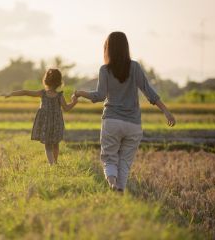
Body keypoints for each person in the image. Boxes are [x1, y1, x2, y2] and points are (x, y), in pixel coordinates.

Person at [73, 32, 176, 192]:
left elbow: (99, 96)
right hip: (133, 124)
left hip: (112, 121)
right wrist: (166, 112)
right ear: (125, 47)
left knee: (109, 157)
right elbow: (149, 92)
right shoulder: (134, 67)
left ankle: (113, 184)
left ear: (108, 48)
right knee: (125, 162)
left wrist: (80, 93)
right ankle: (120, 190)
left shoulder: (105, 70)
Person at [1, 69, 78, 165]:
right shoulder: (59, 96)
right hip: (56, 123)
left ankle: (52, 164)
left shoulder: (42, 93)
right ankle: (55, 162)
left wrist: (11, 94)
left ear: (45, 80)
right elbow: (66, 108)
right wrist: (74, 102)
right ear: (59, 82)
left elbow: (25, 92)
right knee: (56, 144)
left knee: (48, 145)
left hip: (45, 123)